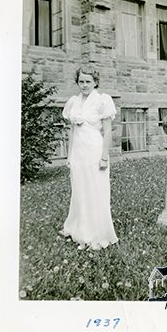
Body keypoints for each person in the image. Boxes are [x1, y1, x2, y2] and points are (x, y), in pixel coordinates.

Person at [59, 67, 118, 250]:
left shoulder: (102, 101)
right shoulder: (73, 102)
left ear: (95, 83)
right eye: (81, 81)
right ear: (77, 82)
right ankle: (78, 228)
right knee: (79, 190)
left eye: (88, 82)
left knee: (95, 191)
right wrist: (69, 155)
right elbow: (72, 131)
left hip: (94, 151)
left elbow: (107, 132)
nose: (84, 85)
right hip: (78, 152)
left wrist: (104, 157)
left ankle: (94, 234)